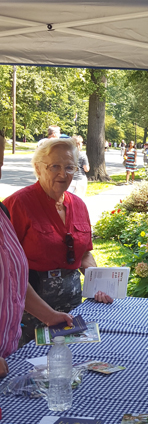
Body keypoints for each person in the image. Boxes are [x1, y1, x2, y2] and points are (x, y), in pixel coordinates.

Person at [3, 138, 112, 346]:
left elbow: (84, 254)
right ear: (38, 168)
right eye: (55, 166)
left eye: (70, 167)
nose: (63, 174)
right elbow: (9, 269)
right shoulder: (17, 204)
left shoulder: (78, 205)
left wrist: (97, 284)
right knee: (33, 365)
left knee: (72, 361)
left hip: (73, 304)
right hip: (30, 306)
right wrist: (47, 314)